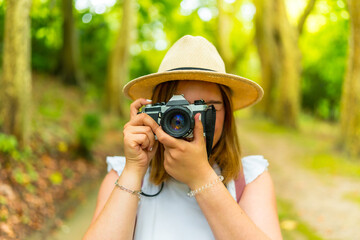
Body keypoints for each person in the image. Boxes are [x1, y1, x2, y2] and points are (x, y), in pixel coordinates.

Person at [83, 35, 282, 240]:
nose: (191, 120)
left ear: (228, 115)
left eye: (207, 108)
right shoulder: (123, 174)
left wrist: (201, 178)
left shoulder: (249, 179)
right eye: (178, 110)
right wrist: (134, 170)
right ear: (155, 112)